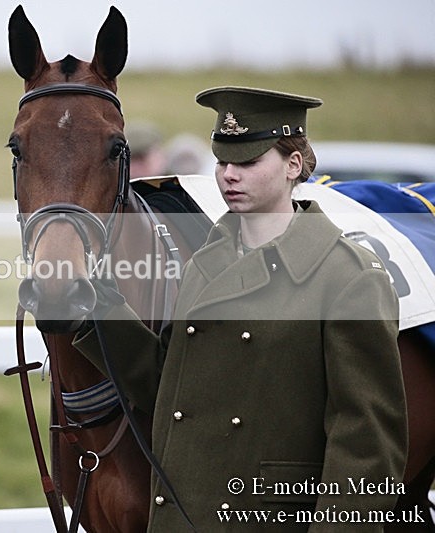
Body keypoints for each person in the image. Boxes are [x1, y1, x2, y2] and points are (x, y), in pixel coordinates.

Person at [74, 86, 408, 531]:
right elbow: (173, 392)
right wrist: (93, 312)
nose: (230, 175)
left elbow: (368, 447)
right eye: (222, 162)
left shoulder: (348, 276)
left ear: (294, 165)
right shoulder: (207, 262)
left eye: (248, 162)